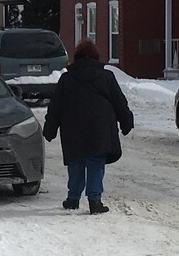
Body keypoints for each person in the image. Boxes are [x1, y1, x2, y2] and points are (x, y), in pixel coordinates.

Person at [43, 39, 134, 215]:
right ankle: (95, 201)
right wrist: (126, 121)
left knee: (76, 160)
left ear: (76, 58)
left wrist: (50, 128)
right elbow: (119, 102)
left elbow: (56, 106)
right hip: (100, 126)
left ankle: (73, 198)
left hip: (73, 127)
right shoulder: (106, 77)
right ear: (95, 57)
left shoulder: (67, 79)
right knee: (95, 161)